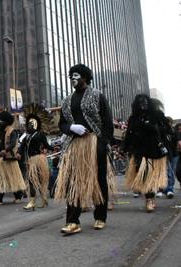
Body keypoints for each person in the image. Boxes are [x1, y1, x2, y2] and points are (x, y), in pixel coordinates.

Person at [54, 64, 114, 234]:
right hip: (75, 146)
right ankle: (73, 221)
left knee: (99, 181)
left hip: (94, 144)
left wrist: (101, 144)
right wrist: (72, 128)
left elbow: (107, 123)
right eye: (71, 76)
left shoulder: (97, 96)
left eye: (76, 75)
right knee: (74, 182)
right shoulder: (67, 100)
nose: (73, 79)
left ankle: (100, 217)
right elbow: (62, 124)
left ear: (85, 77)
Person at [123, 94, 171, 212]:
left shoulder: (157, 115)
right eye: (140, 103)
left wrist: (153, 127)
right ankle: (148, 199)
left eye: (145, 102)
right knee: (143, 174)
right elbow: (129, 135)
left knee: (152, 176)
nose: (143, 105)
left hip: (154, 150)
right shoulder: (133, 118)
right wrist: (124, 148)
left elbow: (169, 129)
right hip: (139, 150)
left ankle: (152, 196)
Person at [16, 103, 54, 210]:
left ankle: (40, 199)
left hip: (38, 159)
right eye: (28, 124)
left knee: (36, 180)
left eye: (31, 124)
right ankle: (34, 201)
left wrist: (52, 148)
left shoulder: (40, 135)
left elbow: (46, 145)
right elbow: (22, 146)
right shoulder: (28, 136)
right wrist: (19, 153)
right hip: (30, 160)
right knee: (32, 180)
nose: (29, 126)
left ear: (35, 124)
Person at [0, 111, 26, 206]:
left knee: (13, 178)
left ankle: (19, 196)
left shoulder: (12, 131)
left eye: (2, 121)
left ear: (7, 121)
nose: (0, 122)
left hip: (9, 159)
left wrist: (6, 150)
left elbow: (13, 143)